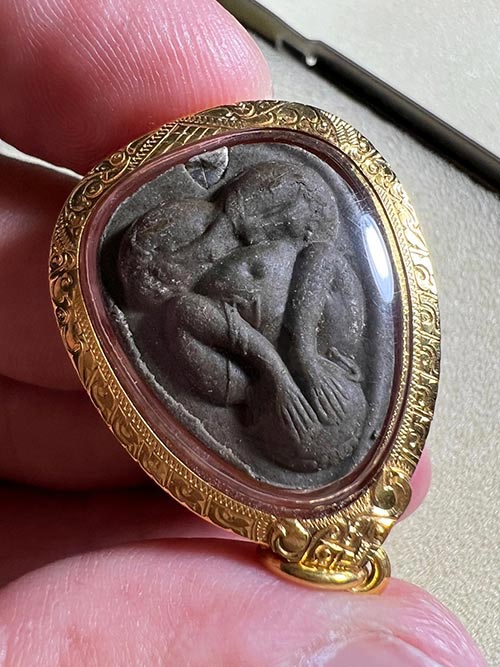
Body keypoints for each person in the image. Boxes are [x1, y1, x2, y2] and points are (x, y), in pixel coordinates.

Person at [0, 0, 485, 664]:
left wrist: (268, 354)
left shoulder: (235, 342)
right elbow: (317, 256)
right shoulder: (307, 293)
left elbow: (203, 304)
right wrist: (290, 347)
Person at [119, 160, 367, 472]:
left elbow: (183, 312)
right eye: (311, 387)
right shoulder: (340, 335)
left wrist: (272, 369)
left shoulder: (232, 386)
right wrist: (303, 351)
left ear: (254, 420)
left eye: (288, 409)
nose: (295, 383)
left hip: (181, 259)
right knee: (305, 197)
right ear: (348, 368)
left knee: (142, 282)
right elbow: (322, 254)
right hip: (276, 216)